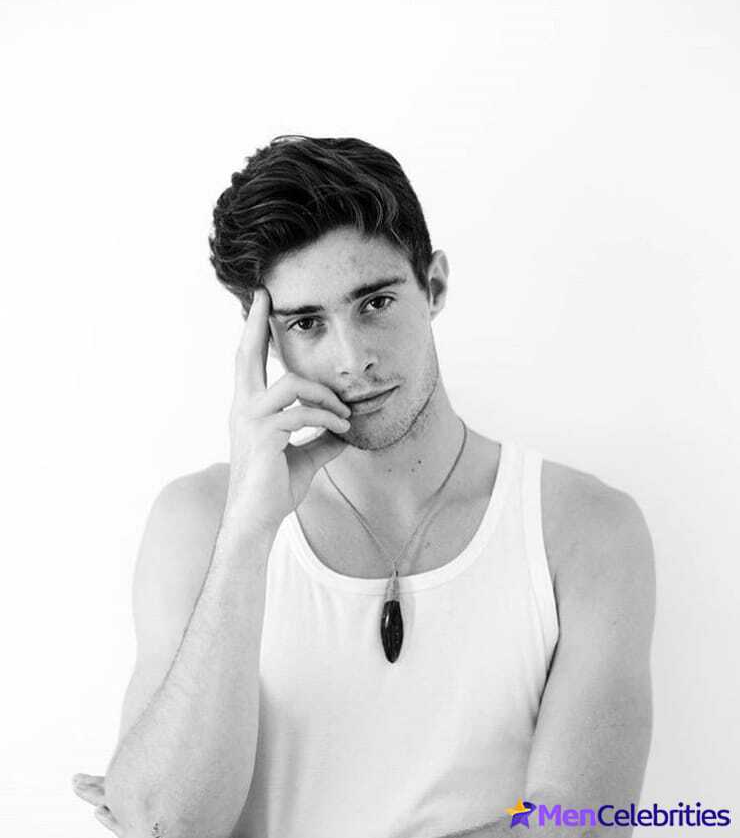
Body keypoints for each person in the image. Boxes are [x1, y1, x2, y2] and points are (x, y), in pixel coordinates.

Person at [72, 136, 656, 838]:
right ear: (264, 342)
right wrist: (249, 531)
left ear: (434, 286)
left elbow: (582, 827)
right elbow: (166, 822)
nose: (353, 360)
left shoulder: (584, 530)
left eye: (374, 302)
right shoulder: (200, 523)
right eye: (307, 323)